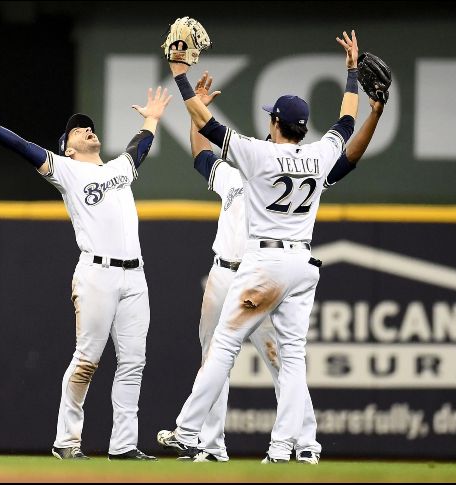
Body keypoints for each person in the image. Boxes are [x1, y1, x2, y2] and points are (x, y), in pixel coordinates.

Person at [157, 30, 361, 463]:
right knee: (292, 359)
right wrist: (351, 73)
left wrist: (180, 74)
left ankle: (187, 430)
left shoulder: (258, 156)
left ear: (274, 124)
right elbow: (346, 123)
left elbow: (206, 125)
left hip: (265, 262)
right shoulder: (321, 153)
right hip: (303, 264)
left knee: (224, 347)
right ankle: (285, 448)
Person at [0, 86, 172, 461]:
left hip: (136, 277)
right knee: (87, 359)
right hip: (96, 274)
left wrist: (152, 117)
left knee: (134, 362)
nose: (87, 131)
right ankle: (66, 441)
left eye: (89, 127)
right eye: (78, 130)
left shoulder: (120, 168)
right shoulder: (65, 170)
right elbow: (17, 144)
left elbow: (141, 146)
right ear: (67, 147)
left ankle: (124, 446)